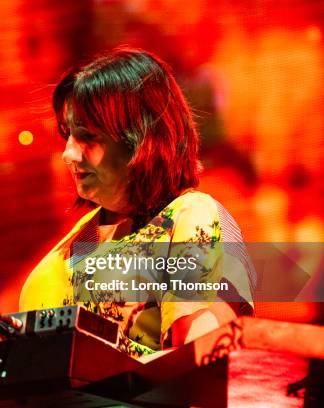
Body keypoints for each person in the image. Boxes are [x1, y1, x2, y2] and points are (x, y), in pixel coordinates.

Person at [19, 47, 255, 358]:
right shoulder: (60, 256)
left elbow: (205, 365)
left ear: (141, 140)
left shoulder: (193, 215)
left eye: (87, 136)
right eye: (67, 134)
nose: (68, 154)